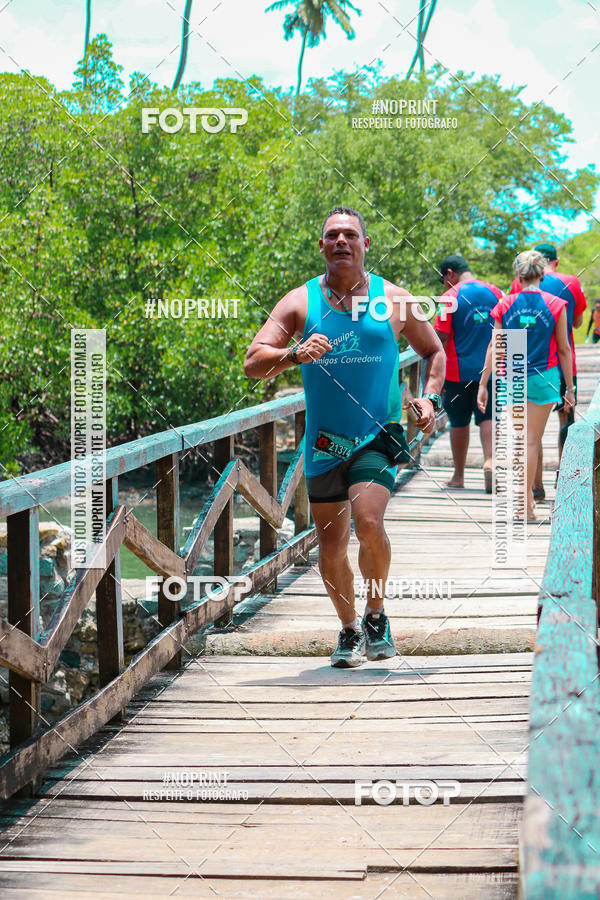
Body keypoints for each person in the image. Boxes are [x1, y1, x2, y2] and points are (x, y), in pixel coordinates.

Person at [244, 206, 445, 668]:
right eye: (332, 235)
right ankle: (350, 629)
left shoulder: (394, 299)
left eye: (350, 235)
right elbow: (253, 363)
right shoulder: (299, 302)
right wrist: (293, 354)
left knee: (369, 521)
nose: (341, 241)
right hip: (324, 443)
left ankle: (377, 614)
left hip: (379, 434)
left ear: (365, 244)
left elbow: (433, 351)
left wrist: (430, 400)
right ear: (321, 246)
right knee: (331, 547)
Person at [479, 250, 575, 522]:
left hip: (512, 377)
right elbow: (565, 350)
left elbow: (495, 347)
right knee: (532, 441)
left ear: (517, 276)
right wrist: (570, 389)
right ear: (542, 275)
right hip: (545, 377)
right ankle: (526, 504)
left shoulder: (505, 304)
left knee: (520, 441)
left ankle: (524, 504)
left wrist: (483, 384)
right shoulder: (556, 304)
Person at [509, 242, 586, 496]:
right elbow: (576, 323)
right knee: (567, 420)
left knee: (532, 432)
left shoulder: (517, 285)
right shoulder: (572, 282)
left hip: (527, 365)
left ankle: (536, 486)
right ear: (557, 261)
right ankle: (564, 480)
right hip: (564, 364)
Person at [434, 254, 503, 492]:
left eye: (444, 279)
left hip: (456, 373)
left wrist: (433, 376)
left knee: (458, 422)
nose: (445, 284)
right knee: (488, 417)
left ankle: (458, 476)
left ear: (450, 273)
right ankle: (490, 462)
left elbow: (440, 338)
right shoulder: (496, 292)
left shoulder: (449, 298)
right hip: (491, 371)